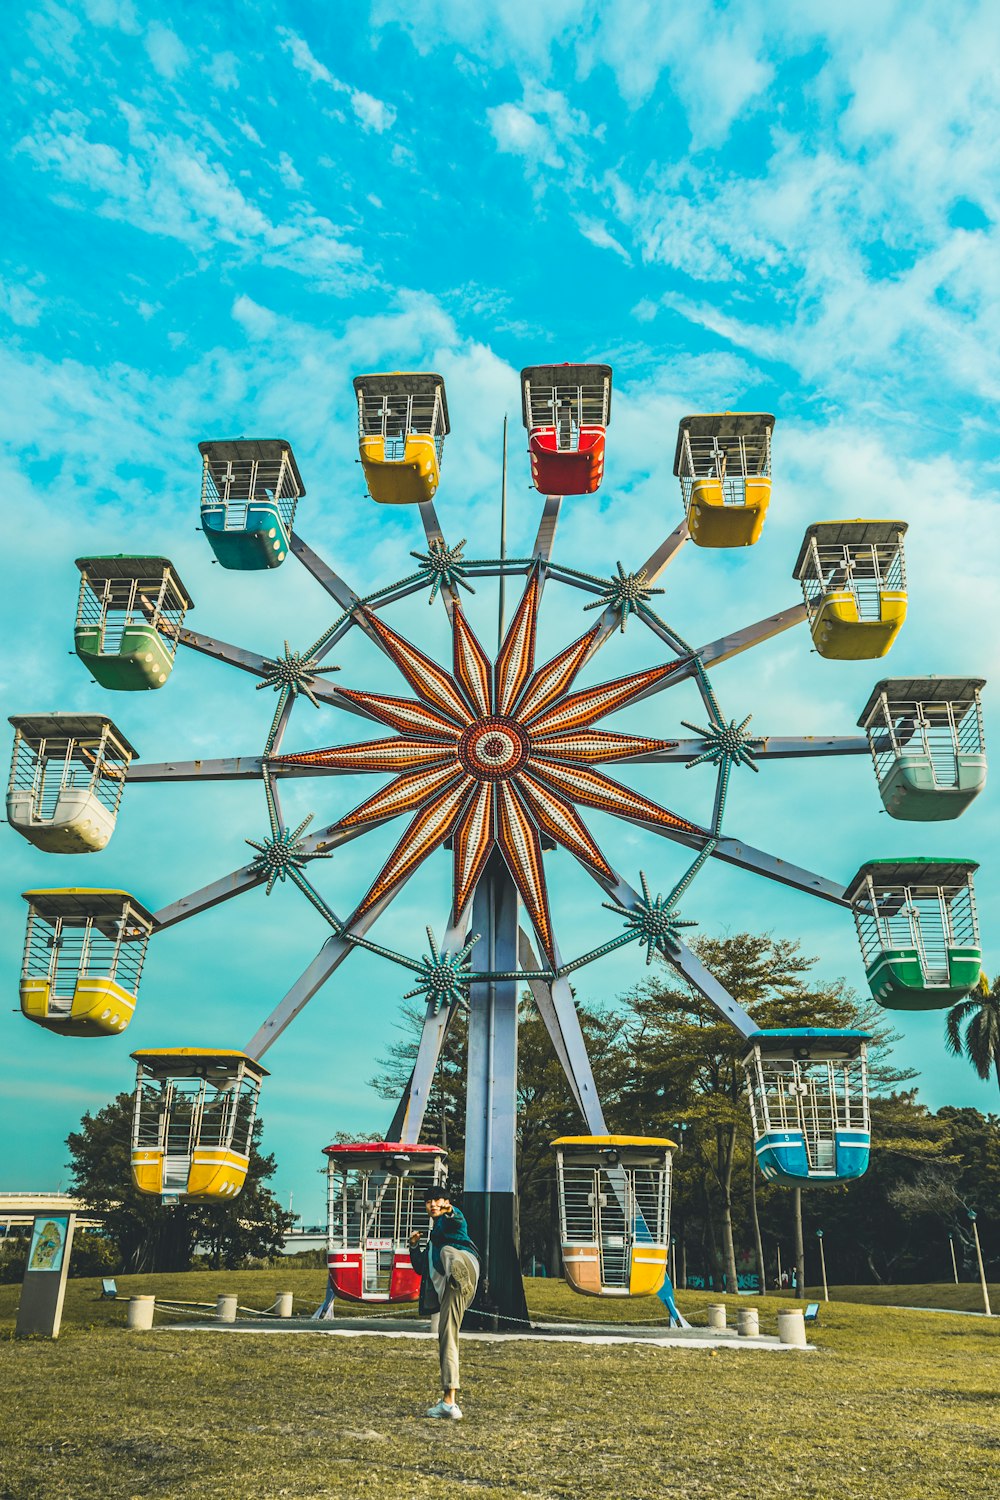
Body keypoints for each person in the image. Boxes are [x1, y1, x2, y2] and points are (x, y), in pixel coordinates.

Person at [409, 1187, 480, 1420]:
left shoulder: (450, 1222)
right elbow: (421, 1268)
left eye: (437, 1200)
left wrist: (450, 1211)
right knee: (447, 1335)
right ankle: (449, 1402)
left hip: (465, 1264)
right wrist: (413, 1246)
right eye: (428, 1201)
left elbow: (455, 1220)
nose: (432, 1205)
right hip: (452, 1289)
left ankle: (460, 1275)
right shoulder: (432, 1242)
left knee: (449, 1252)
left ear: (446, 1201)